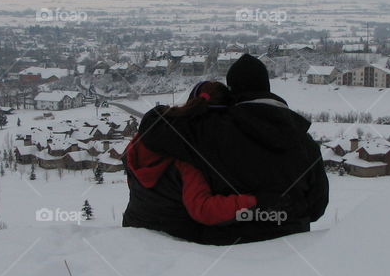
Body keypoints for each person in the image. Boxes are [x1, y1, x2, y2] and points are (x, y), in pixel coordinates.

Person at [138, 55, 328, 244]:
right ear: (267, 88)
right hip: (292, 250)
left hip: (229, 253)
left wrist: (192, 109)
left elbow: (151, 128)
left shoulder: (212, 131)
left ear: (232, 92)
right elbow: (317, 208)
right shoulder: (306, 144)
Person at [122, 81, 259, 242]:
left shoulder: (142, 140)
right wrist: (254, 201)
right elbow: (203, 209)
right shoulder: (187, 156)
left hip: (132, 230)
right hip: (172, 240)